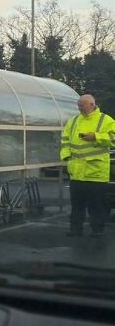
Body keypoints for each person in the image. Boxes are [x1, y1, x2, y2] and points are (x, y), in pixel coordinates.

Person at [60, 93, 115, 238]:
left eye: (82, 105)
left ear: (92, 104)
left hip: (95, 173)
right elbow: (65, 139)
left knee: (96, 206)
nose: (79, 108)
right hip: (77, 173)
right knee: (77, 205)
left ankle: (97, 230)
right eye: (78, 105)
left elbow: (114, 138)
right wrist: (65, 155)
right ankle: (75, 229)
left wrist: (96, 137)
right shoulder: (73, 121)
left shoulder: (105, 120)